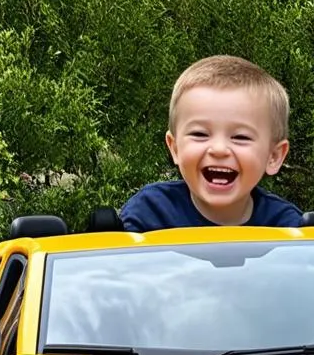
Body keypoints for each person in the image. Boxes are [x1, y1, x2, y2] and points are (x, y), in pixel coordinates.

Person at [121, 55, 304, 232]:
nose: (218, 149)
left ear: (274, 156)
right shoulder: (150, 214)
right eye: (199, 134)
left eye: (240, 137)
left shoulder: (286, 228)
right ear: (175, 148)